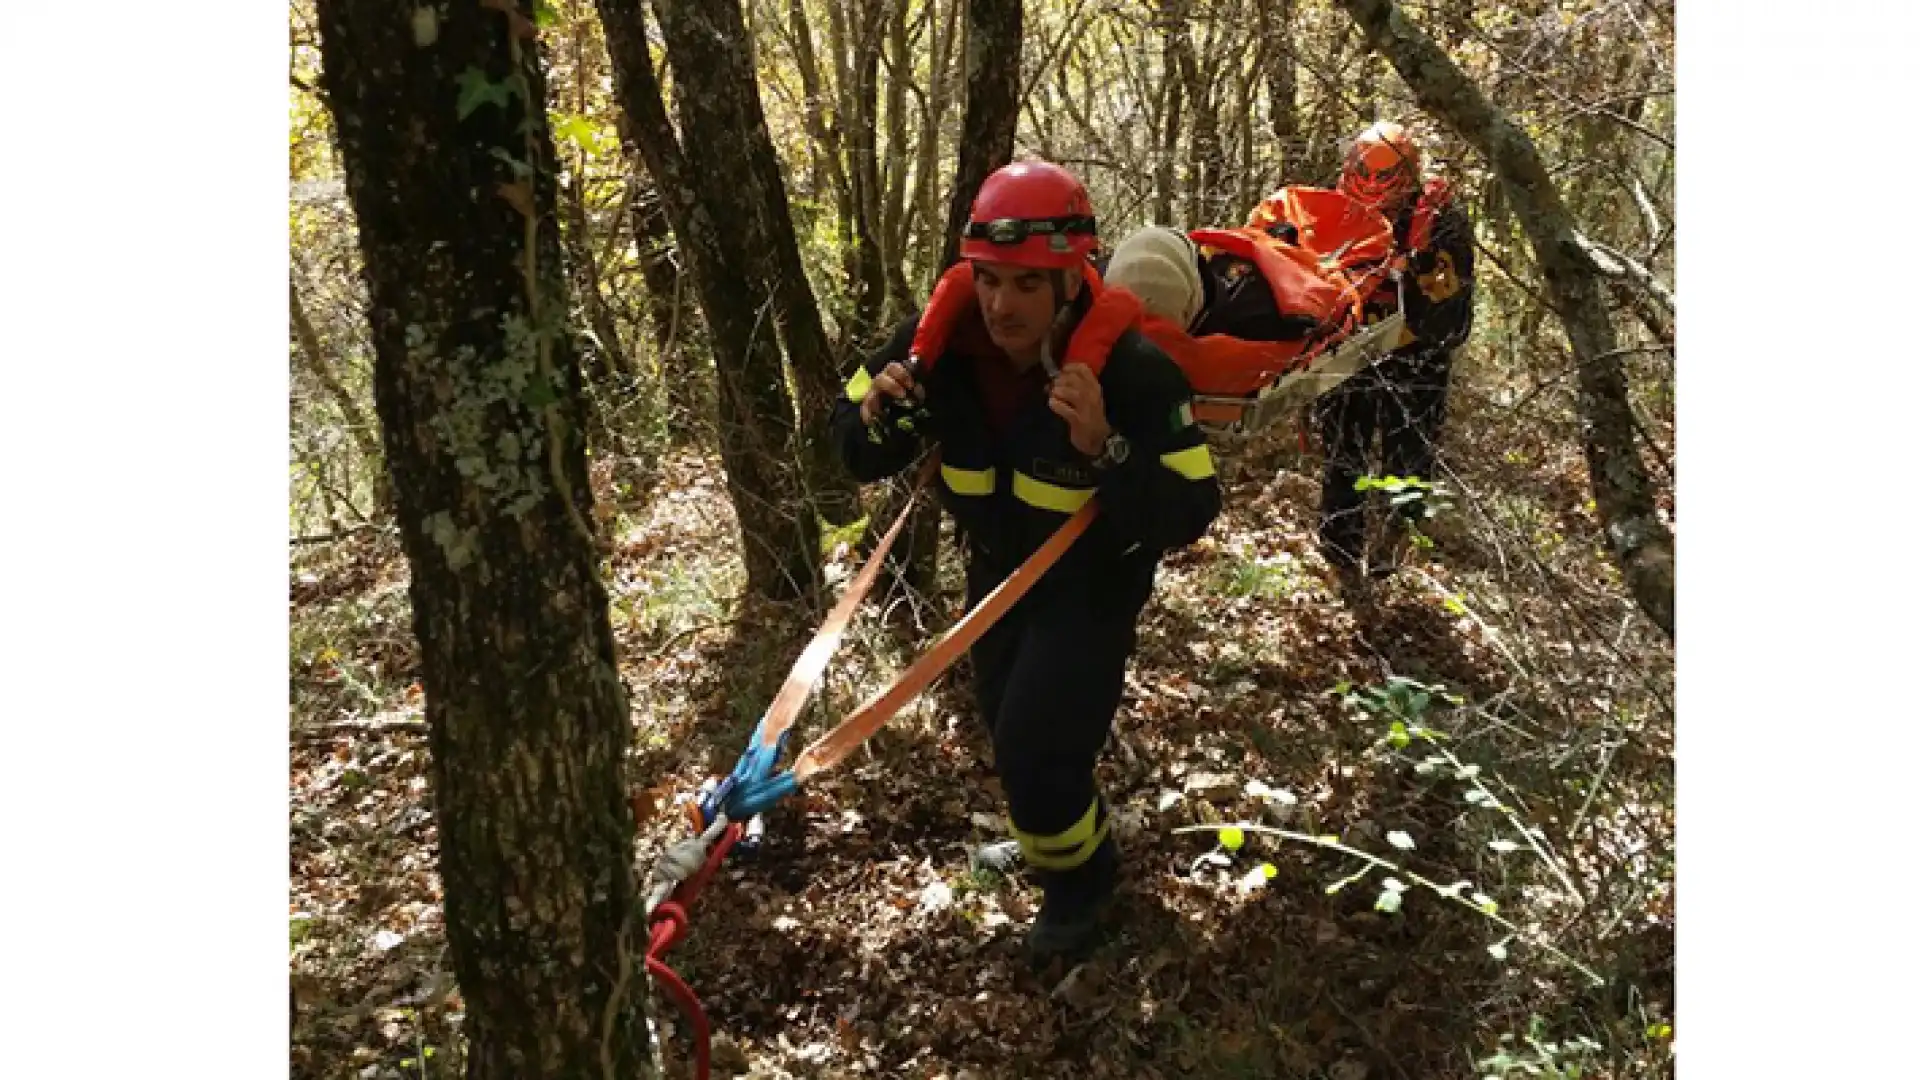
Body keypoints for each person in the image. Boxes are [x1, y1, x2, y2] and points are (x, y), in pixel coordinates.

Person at [830, 160, 1222, 961]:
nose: (1000, 305)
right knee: (1008, 727)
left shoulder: (1134, 373)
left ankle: (1084, 886)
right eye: (988, 280)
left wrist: (1106, 447)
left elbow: (1192, 510)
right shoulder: (930, 346)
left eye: (1026, 287)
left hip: (1092, 585)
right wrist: (886, 421)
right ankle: (1055, 837)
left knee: (1036, 742)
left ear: (1071, 286)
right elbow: (849, 442)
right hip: (995, 576)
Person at [1258, 121, 1476, 580]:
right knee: (1343, 452)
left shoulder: (1440, 220)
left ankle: (1392, 554)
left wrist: (1413, 272)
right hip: (1348, 346)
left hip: (1416, 352)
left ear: (1408, 176)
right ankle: (1339, 551)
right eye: (1364, 174)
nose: (1373, 188)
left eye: (1385, 178)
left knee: (1410, 456)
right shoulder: (1329, 210)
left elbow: (1451, 316)